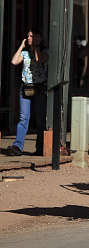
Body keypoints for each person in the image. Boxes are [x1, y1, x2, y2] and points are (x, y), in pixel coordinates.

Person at [5, 28, 48, 156]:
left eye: (32, 36)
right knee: (23, 118)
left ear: (39, 38)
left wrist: (36, 47)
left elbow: (39, 59)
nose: (29, 38)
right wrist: (21, 46)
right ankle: (18, 146)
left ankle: (40, 148)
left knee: (40, 120)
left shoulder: (45, 52)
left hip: (39, 88)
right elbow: (14, 61)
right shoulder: (24, 53)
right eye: (28, 36)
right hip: (26, 88)